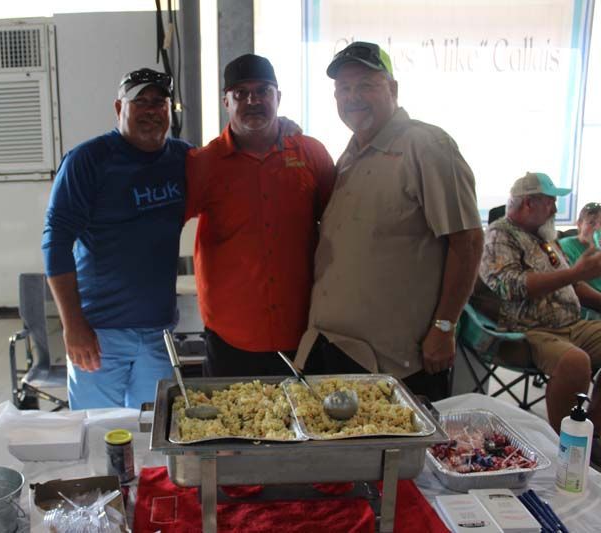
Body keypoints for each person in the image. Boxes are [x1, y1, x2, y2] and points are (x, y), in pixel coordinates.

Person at [294, 41, 484, 401]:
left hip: (395, 363)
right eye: (344, 88)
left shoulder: (426, 146)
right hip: (331, 348)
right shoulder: (350, 154)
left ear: (392, 89)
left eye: (366, 84)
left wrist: (444, 327)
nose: (353, 97)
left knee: (396, 457)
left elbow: (469, 241)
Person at [42, 68, 191, 409]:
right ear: (118, 107)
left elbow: (229, 165)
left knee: (153, 433)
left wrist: (282, 132)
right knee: (98, 435)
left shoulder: (183, 159)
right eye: (140, 101)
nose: (151, 110)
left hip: (159, 332)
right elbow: (56, 241)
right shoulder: (88, 161)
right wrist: (73, 325)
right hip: (99, 334)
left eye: (160, 102)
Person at [185, 53, 336, 377]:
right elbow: (160, 224)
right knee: (235, 427)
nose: (253, 100)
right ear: (226, 101)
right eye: (240, 93)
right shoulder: (203, 163)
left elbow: (340, 225)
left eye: (263, 91)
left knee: (306, 424)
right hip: (231, 336)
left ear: (278, 97)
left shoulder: (311, 153)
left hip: (304, 331)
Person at [479, 172, 601, 441]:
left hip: (572, 323)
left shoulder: (545, 237)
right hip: (528, 330)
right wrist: (575, 273)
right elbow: (510, 286)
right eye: (550, 202)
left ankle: (593, 433)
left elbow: (574, 285)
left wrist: (576, 276)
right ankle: (567, 444)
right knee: (575, 361)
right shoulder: (500, 234)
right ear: (527, 204)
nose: (556, 209)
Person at [559, 202, 601, 293]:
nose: (597, 228)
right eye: (591, 223)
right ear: (579, 224)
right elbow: (574, 287)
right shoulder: (565, 247)